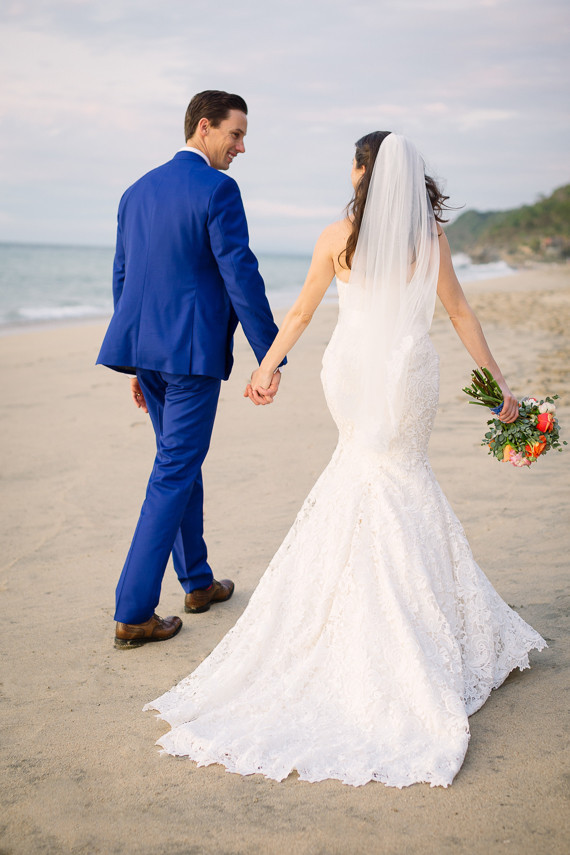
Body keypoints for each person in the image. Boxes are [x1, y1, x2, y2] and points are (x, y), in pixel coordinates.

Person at [144, 132, 545, 788]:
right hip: (408, 373)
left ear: (366, 173)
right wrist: (500, 386)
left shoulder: (338, 236)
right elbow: (460, 311)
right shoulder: (430, 241)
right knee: (402, 477)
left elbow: (300, 312)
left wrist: (267, 367)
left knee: (360, 474)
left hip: (353, 372)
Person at [97, 90, 283, 650]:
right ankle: (133, 612)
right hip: (191, 358)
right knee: (175, 470)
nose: (242, 147)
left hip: (149, 352)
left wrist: (135, 359)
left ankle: (198, 582)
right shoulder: (218, 190)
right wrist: (269, 353)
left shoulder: (136, 191)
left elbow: (124, 278)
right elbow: (240, 274)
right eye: (236, 133)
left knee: (179, 461)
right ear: (205, 128)